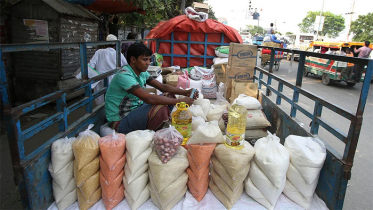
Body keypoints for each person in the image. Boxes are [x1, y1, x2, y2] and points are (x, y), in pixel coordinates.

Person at [105, 43, 198, 134]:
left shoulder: (142, 72)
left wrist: (185, 92)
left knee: (169, 96)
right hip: (120, 121)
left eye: (149, 60)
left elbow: (162, 87)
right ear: (133, 59)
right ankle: (155, 133)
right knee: (161, 109)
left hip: (135, 110)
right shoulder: (124, 75)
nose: (148, 63)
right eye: (145, 60)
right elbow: (148, 98)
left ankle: (158, 125)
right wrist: (180, 102)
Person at [77, 34, 127, 105]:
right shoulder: (118, 54)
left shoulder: (99, 52)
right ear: (115, 45)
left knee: (100, 101)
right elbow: (125, 66)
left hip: (100, 80)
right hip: (113, 80)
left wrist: (82, 75)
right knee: (112, 102)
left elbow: (90, 65)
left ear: (105, 44)